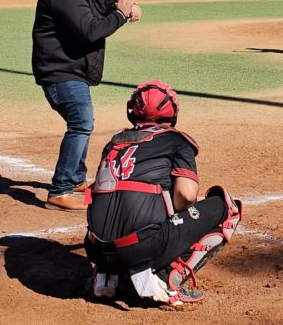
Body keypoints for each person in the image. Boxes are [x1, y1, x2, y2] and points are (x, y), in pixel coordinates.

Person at [83, 80, 242, 306]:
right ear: (173, 113)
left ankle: (107, 275)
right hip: (140, 248)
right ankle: (167, 279)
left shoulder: (115, 142)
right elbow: (185, 196)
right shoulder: (176, 140)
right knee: (226, 208)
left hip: (96, 249)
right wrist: (173, 219)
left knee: (122, 196)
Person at [32, 0, 142, 211]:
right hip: (60, 70)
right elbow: (91, 30)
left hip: (72, 68)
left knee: (83, 121)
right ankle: (60, 190)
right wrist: (119, 15)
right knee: (80, 123)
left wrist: (128, 8)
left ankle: (76, 178)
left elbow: (109, 5)